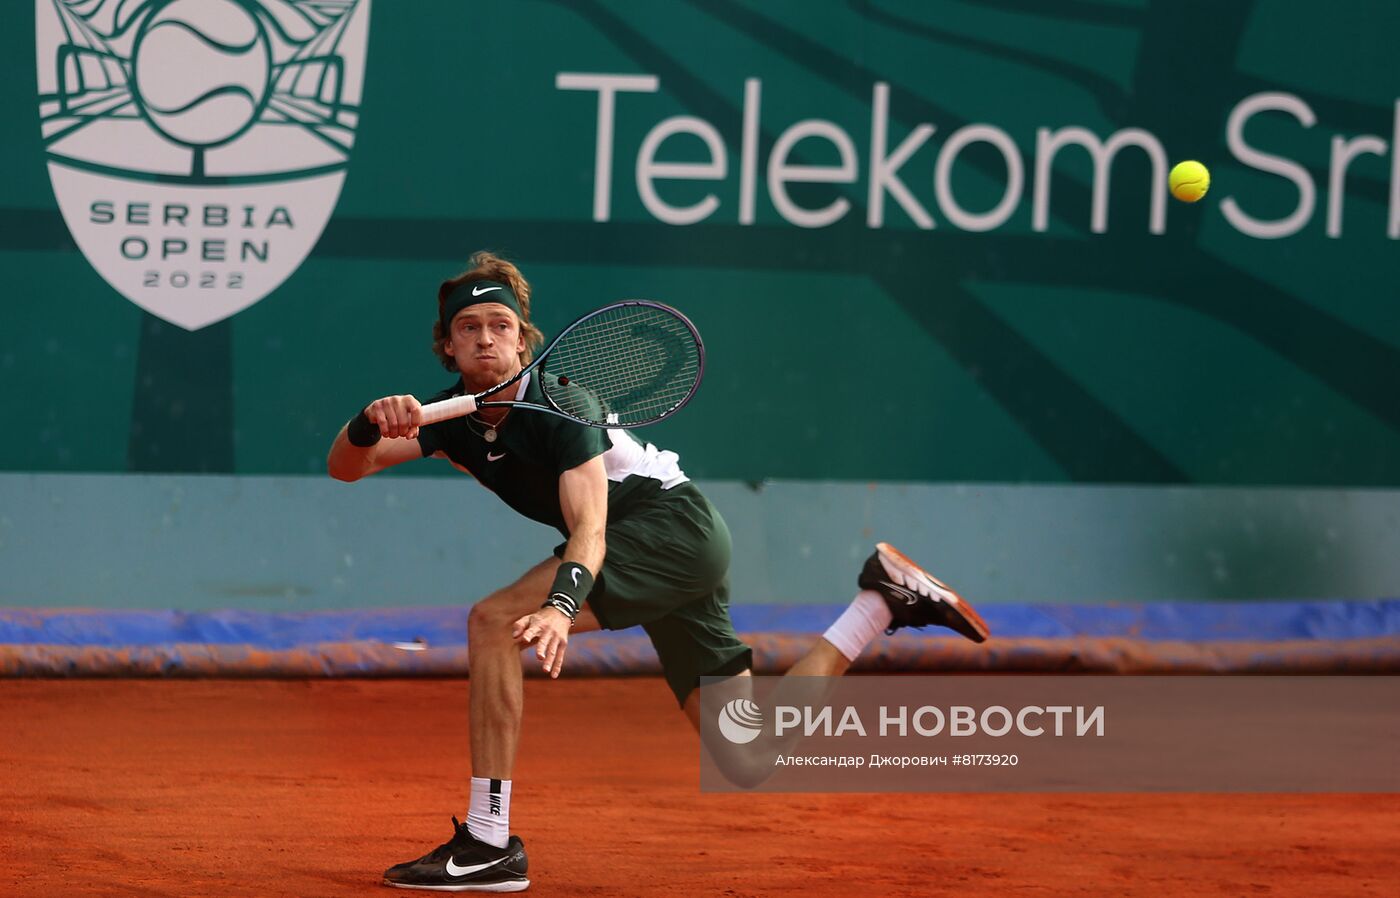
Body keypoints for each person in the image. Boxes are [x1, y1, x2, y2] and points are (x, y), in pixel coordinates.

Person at [326, 251, 990, 892]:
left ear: (523, 341)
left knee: (494, 623)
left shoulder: (564, 405)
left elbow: (590, 529)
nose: (485, 338)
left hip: (669, 530)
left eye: (500, 325)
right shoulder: (453, 420)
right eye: (467, 329)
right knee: (747, 754)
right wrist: (364, 423)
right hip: (665, 550)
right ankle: (881, 600)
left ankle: (489, 843)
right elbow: (347, 466)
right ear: (447, 347)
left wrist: (560, 607)